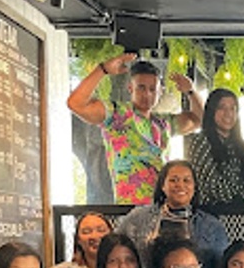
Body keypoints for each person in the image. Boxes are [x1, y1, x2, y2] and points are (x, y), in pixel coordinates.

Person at [67, 53, 203, 204]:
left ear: (160, 92)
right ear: (130, 88)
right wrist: (103, 69)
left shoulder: (164, 123)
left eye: (152, 89)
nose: (147, 94)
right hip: (129, 208)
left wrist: (191, 91)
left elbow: (198, 120)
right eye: (141, 88)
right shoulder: (116, 114)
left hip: (162, 207)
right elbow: (75, 103)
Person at [115, 159, 229, 268]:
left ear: (194, 187)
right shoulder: (138, 218)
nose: (180, 185)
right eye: (173, 180)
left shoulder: (212, 226)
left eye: (186, 181)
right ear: (162, 186)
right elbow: (117, 248)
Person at [187, 88, 244, 208]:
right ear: (211, 111)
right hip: (212, 214)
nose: (228, 113)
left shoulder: (243, 147)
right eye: (222, 107)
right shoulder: (200, 142)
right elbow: (211, 186)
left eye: (233, 108)